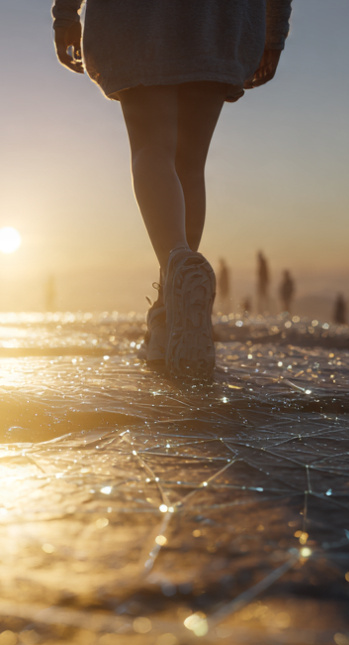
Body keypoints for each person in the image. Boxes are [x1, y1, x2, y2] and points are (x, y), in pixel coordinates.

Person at [54, 0, 292, 378]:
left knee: (151, 146)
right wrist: (274, 31)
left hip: (138, 17)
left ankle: (178, 264)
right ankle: (167, 316)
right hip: (220, 17)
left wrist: (65, 13)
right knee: (190, 162)